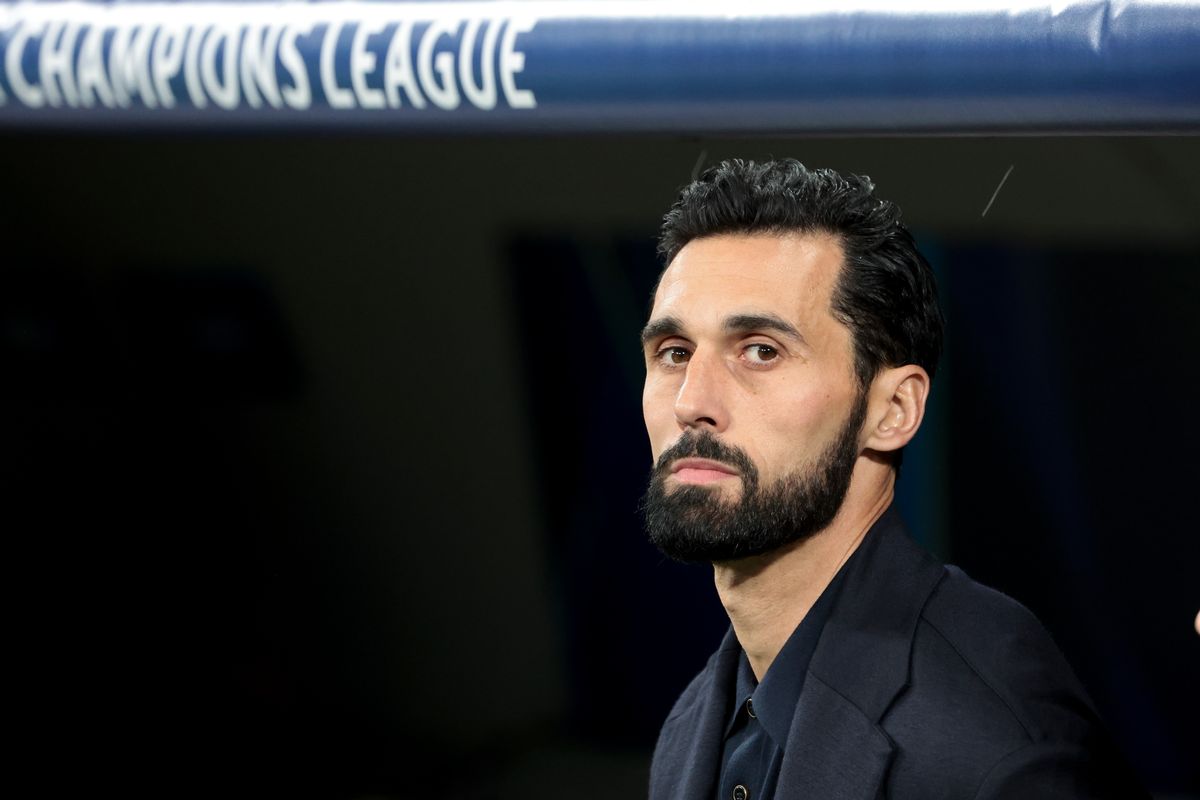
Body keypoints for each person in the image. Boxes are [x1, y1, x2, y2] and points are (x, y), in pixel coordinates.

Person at [640, 159, 1145, 800]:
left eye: (760, 350)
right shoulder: (694, 726)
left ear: (893, 410)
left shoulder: (991, 748)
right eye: (674, 353)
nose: (691, 400)